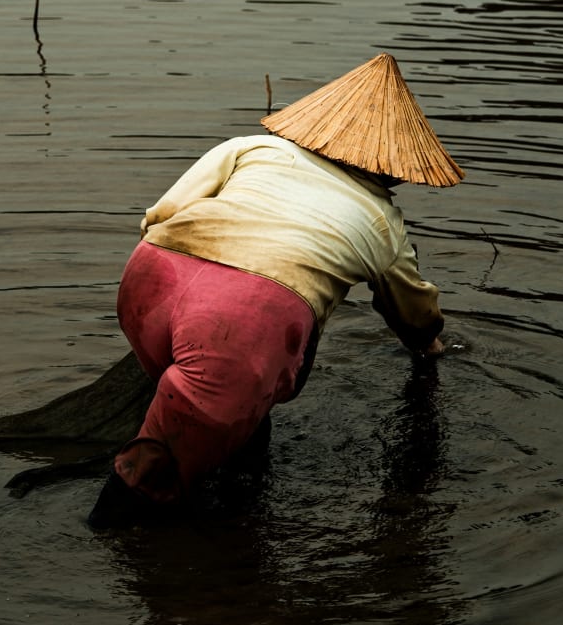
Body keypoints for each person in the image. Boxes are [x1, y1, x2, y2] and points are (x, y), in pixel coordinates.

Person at [88, 52, 464, 528]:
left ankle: (212, 491)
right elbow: (413, 312)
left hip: (149, 285)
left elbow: (159, 216)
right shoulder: (383, 224)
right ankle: (109, 548)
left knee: (217, 424)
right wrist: (429, 344)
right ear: (395, 170)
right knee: (153, 470)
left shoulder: (250, 148)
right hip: (238, 322)